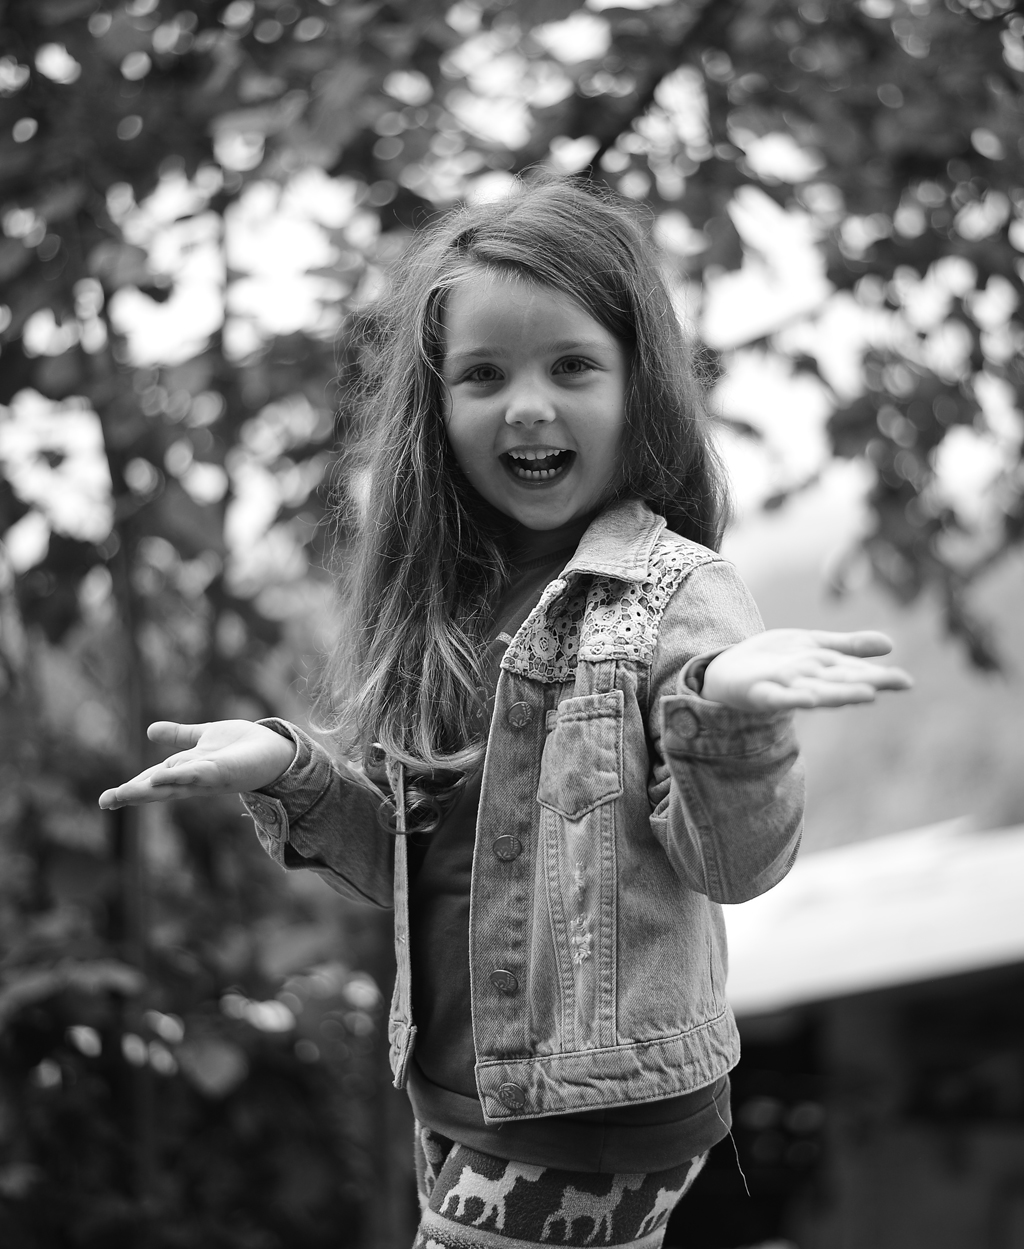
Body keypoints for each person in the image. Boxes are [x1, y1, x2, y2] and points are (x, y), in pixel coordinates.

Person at [100, 175, 911, 1247]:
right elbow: (421, 865)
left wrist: (728, 720)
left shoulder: (673, 591)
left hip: (599, 1105)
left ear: (638, 384)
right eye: (483, 375)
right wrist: (287, 769)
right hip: (457, 1089)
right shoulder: (447, 602)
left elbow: (736, 865)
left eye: (571, 365)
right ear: (436, 408)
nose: (527, 405)